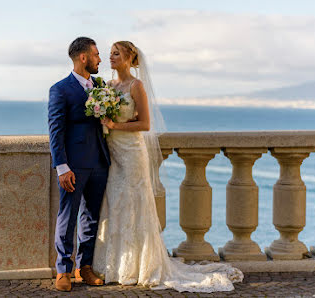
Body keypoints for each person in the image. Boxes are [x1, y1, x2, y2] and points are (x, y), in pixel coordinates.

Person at [92, 41, 243, 292]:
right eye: (110, 54)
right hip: (113, 152)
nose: (111, 57)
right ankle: (114, 264)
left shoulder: (136, 86)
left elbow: (145, 124)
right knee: (115, 202)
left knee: (134, 203)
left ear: (129, 58)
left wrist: (115, 125)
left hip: (131, 152)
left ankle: (139, 266)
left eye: (116, 53)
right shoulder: (108, 87)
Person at [48, 37, 110, 292]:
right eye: (96, 54)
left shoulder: (102, 85)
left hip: (100, 162)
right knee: (68, 217)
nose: (100, 59)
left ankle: (84, 267)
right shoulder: (60, 89)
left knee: (91, 218)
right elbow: (56, 130)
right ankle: (63, 270)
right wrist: (62, 167)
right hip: (74, 165)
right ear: (83, 57)